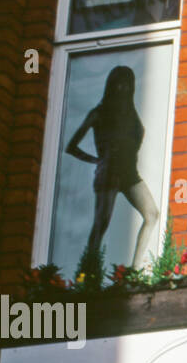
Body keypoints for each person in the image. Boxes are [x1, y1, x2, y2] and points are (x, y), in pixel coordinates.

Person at [65, 65, 160, 269]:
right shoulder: (99, 113)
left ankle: (135, 269)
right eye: (119, 84)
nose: (123, 88)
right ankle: (89, 273)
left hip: (129, 172)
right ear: (112, 85)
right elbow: (71, 146)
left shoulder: (130, 112)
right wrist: (95, 160)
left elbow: (139, 135)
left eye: (127, 84)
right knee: (101, 224)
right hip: (108, 172)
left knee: (152, 213)